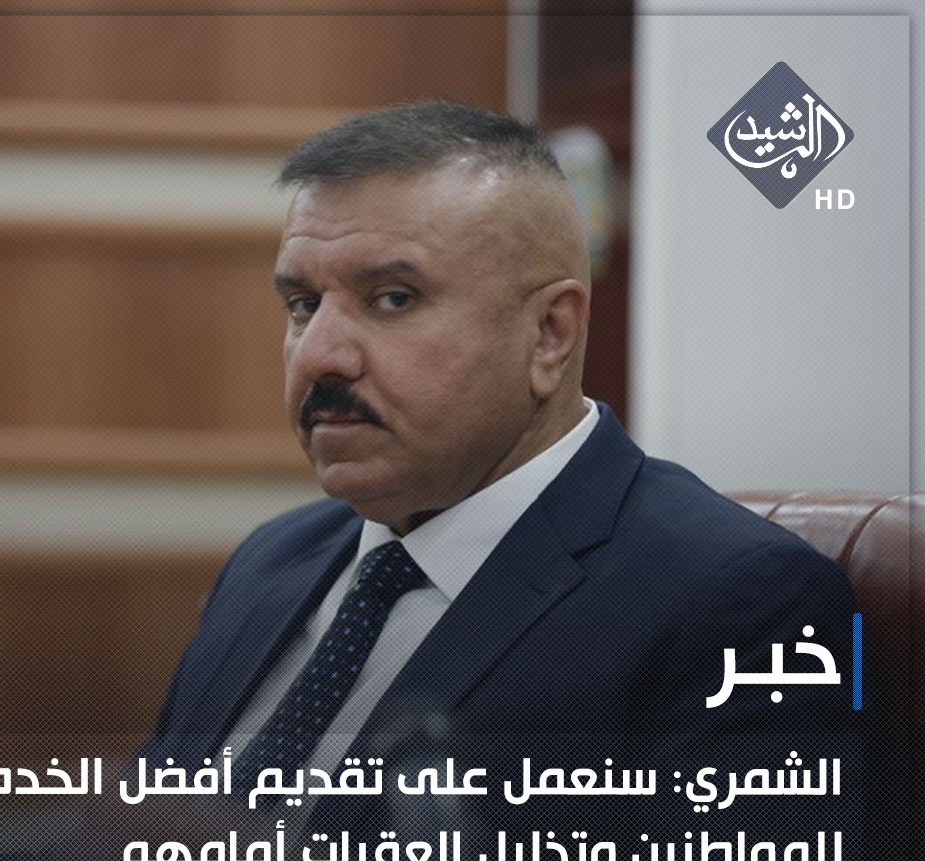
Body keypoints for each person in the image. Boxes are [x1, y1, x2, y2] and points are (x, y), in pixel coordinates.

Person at [154, 101, 856, 803]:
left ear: (549, 335)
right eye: (303, 304)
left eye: (393, 299)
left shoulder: (734, 601)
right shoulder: (272, 560)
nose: (319, 355)